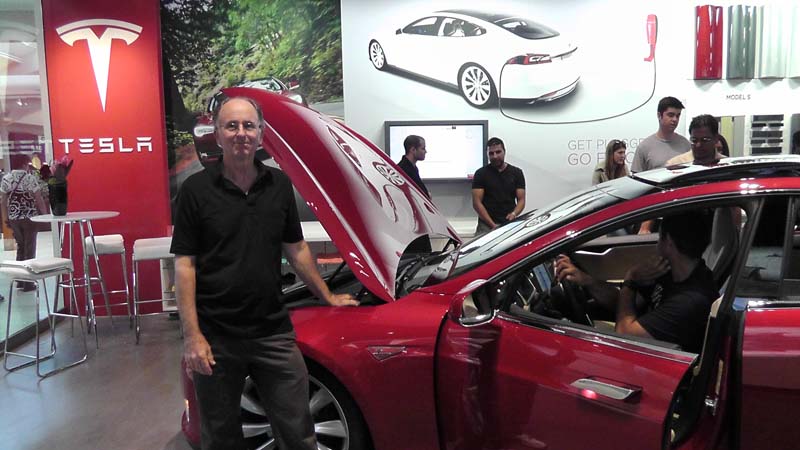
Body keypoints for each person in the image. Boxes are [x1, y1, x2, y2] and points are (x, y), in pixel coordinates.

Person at [171, 96, 358, 450]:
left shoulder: (279, 185)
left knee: (298, 433)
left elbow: (296, 248)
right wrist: (192, 336)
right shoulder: (195, 191)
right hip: (216, 336)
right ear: (217, 134)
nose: (241, 133)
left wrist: (328, 295)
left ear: (260, 133)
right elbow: (185, 265)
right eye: (231, 126)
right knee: (220, 438)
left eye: (248, 125)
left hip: (272, 332)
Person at [555, 210, 717, 353]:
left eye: (659, 235)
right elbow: (624, 305)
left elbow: (624, 336)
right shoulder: (669, 272)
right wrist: (587, 281)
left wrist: (630, 280)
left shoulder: (689, 301)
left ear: (668, 242)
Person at [0, 160, 47, 292]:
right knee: (29, 248)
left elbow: (3, 201)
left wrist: (5, 218)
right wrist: (44, 214)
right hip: (29, 217)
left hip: (14, 217)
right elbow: (39, 198)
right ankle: (29, 283)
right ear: (24, 165)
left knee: (20, 247)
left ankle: (20, 280)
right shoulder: (29, 178)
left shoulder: (6, 178)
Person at [472, 137, 526, 234]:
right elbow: (476, 203)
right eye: (491, 153)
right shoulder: (480, 174)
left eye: (498, 152)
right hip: (486, 225)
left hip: (509, 223)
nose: (495, 156)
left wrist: (514, 214)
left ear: (504, 152)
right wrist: (492, 225)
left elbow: (521, 200)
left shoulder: (517, 173)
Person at [631, 96, 691, 173]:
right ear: (659, 115)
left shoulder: (685, 144)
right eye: (670, 115)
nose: (675, 119)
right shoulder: (644, 147)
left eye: (678, 116)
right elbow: (636, 177)